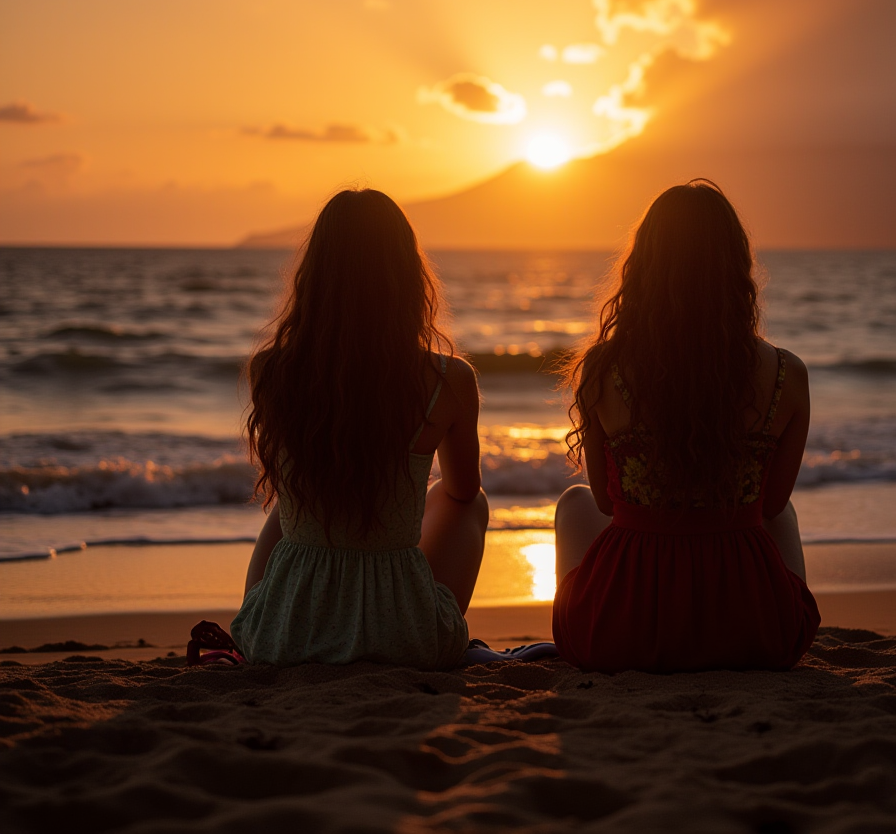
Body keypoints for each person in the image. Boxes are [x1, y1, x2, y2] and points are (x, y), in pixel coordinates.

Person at [552, 181, 820, 673]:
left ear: (643, 269)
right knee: (780, 515)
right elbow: (774, 505)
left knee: (574, 506)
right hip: (754, 631)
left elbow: (608, 503)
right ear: (736, 268)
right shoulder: (787, 374)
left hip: (624, 633)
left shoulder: (603, 370)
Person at [231, 189, 488, 669]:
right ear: (409, 278)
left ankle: (261, 613)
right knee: (470, 503)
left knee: (288, 504)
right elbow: (463, 489)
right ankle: (410, 607)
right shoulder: (449, 380)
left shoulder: (271, 371)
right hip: (405, 638)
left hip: (282, 637)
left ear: (316, 277)